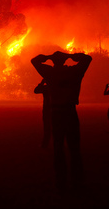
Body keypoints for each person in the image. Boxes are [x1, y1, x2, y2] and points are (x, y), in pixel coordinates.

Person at [31, 51, 92, 193]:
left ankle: (61, 181)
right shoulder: (75, 71)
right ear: (64, 60)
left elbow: (34, 61)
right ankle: (77, 181)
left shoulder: (49, 73)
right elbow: (87, 58)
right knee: (74, 148)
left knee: (58, 147)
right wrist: (70, 56)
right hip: (70, 111)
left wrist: (48, 57)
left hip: (56, 112)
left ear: (54, 61)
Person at [34, 79, 51, 148]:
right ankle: (59, 144)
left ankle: (45, 144)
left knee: (47, 128)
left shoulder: (46, 88)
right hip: (56, 109)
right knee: (58, 128)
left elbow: (36, 91)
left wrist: (41, 83)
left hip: (47, 109)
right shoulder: (57, 86)